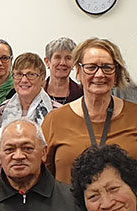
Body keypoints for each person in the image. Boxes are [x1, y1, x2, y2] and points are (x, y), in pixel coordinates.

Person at [43, 38, 137, 184]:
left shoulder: (134, 116)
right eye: (91, 67)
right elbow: (42, 177)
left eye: (107, 67)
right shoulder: (55, 120)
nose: (99, 75)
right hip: (68, 207)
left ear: (116, 74)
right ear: (79, 72)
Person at [0, 117, 92, 211]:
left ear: (44, 153)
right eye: (9, 149)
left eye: (27, 148)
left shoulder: (75, 199)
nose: (18, 156)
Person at [0, 52, 59, 126]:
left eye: (31, 74)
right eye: (19, 74)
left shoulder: (57, 112)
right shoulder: (1, 111)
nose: (24, 80)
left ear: (42, 78)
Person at [44, 37, 83, 105]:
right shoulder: (38, 91)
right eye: (57, 57)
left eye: (68, 58)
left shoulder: (82, 94)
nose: (62, 63)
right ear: (47, 62)